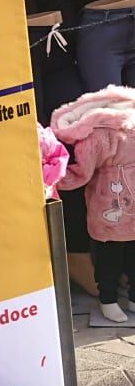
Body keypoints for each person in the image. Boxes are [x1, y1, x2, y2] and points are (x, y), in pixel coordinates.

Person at [53, 85, 135, 321]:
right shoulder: (101, 133)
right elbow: (84, 172)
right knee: (113, 255)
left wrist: (58, 178)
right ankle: (109, 299)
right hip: (111, 207)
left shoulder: (99, 132)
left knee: (116, 254)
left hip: (112, 205)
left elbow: (81, 174)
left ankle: (119, 297)